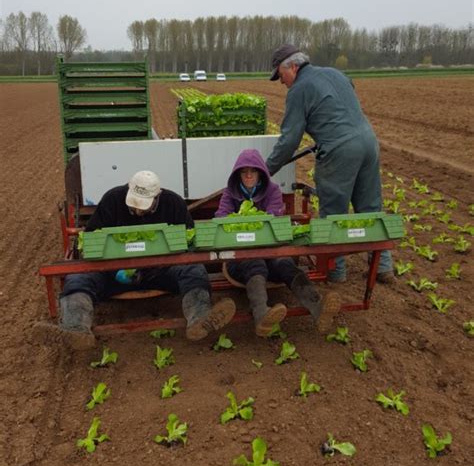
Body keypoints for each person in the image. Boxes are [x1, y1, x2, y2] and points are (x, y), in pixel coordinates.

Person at [35, 170, 236, 350]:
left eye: (144, 206)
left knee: (194, 270)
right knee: (78, 278)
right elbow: (91, 239)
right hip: (113, 273)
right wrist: (114, 267)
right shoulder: (113, 199)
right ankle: (75, 328)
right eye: (135, 205)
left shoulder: (173, 203)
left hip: (160, 270)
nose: (139, 211)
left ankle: (199, 319)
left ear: (157, 196)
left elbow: (190, 240)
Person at [265, 44, 394, 284]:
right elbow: (344, 95)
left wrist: (266, 169)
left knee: (333, 213)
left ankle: (335, 271)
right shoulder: (334, 73)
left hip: (339, 150)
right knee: (370, 206)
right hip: (368, 141)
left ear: (292, 67)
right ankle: (383, 266)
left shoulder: (299, 89)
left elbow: (289, 140)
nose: (281, 82)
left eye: (280, 76)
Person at [216, 149, 340, 336]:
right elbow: (221, 218)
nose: (249, 175)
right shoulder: (230, 194)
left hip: (271, 252)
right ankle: (261, 315)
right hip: (240, 257)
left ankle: (318, 307)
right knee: (254, 263)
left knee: (285, 263)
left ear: (260, 173)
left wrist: (244, 222)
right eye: (244, 172)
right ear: (238, 174)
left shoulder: (272, 190)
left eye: (253, 171)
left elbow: (274, 215)